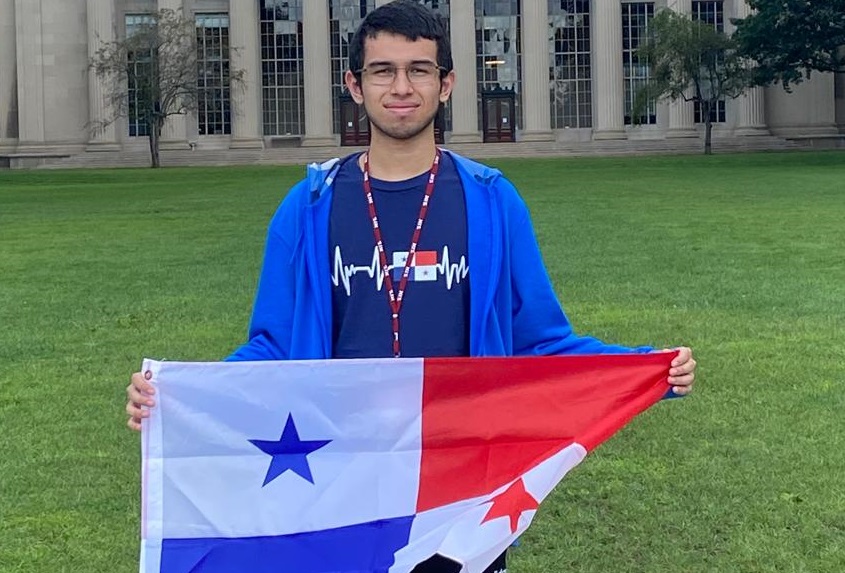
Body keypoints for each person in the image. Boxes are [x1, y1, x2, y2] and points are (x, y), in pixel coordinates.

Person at [126, 1, 696, 571]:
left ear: (446, 84)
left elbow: (539, 337)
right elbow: (273, 346)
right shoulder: (308, 206)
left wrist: (646, 368)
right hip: (337, 477)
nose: (402, 87)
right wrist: (177, 396)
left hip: (458, 482)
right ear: (355, 85)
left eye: (419, 70)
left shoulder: (492, 201)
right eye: (383, 70)